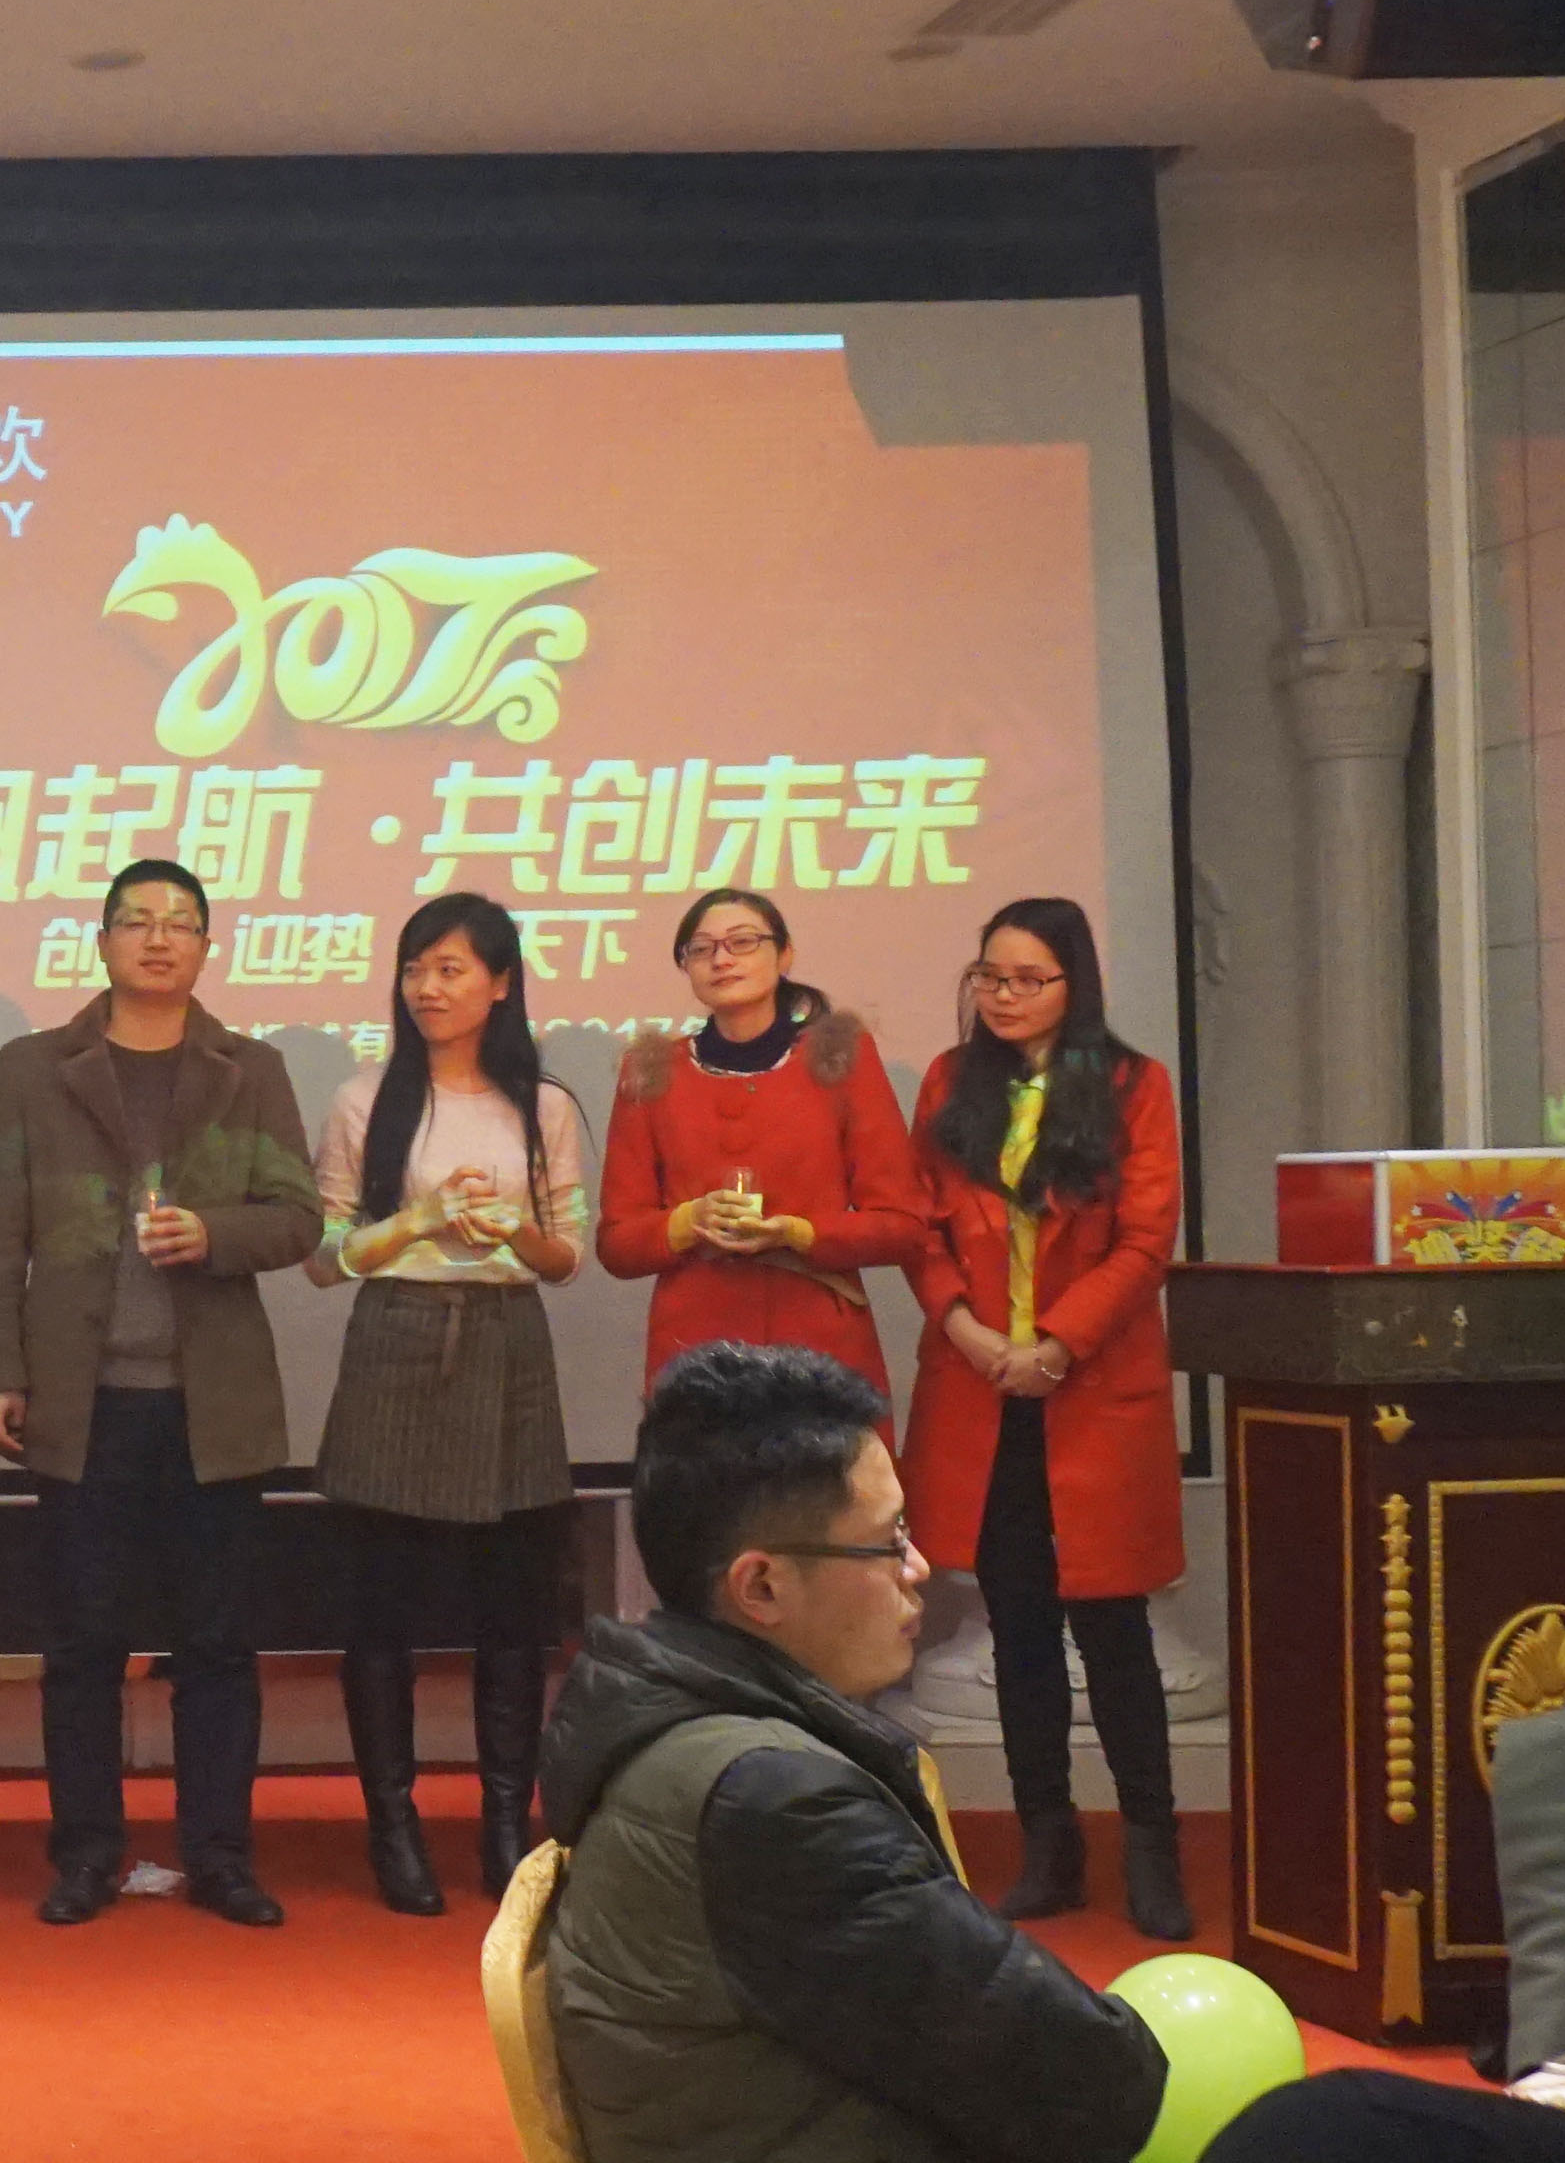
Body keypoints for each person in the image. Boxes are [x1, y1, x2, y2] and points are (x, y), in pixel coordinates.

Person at [542, 1339, 1169, 2163]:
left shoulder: (663, 1711)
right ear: (761, 1586)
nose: (920, 1567)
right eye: (887, 1541)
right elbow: (1097, 2087)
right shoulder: (776, 1804)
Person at [0, 855, 318, 1929]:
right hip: (83, 1399)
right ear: (103, 941)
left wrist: (215, 1235)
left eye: (180, 923)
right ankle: (86, 1855)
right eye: (137, 921)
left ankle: (220, 1855)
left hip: (213, 1404)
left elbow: (299, 1219)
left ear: (206, 947)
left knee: (216, 1645)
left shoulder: (250, 1068)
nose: (159, 939)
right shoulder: (36, 1067)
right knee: (83, 1646)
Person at [901, 895, 1190, 1941]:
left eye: (1029, 980)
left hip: (1091, 1391)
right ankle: (1048, 1844)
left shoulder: (1133, 1085)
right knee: (1017, 1625)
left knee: (1114, 1628)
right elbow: (920, 1227)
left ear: (1075, 985)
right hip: (980, 1388)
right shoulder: (949, 1081)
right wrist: (971, 1334)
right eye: (991, 977)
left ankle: (1151, 1846)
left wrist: (1057, 1344)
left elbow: (1146, 1241)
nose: (1005, 997)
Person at [304, 890, 589, 1917]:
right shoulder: (364, 1098)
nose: (428, 987)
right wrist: (417, 1221)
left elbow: (567, 1257)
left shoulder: (544, 1106)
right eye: (416, 968)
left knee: (512, 1613)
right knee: (380, 1612)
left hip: (508, 1343)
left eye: (452, 968)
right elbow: (323, 1258)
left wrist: (512, 1230)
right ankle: (394, 1824)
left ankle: (506, 1822)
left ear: (501, 983)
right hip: (395, 1338)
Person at [599, 889, 932, 1400]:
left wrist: (798, 1232)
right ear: (686, 967)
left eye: (743, 942)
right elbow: (617, 1244)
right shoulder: (652, 1070)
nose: (722, 959)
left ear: (785, 953)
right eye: (702, 949)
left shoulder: (841, 1059)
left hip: (818, 1339)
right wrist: (687, 1222)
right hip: (694, 1347)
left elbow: (902, 1226)